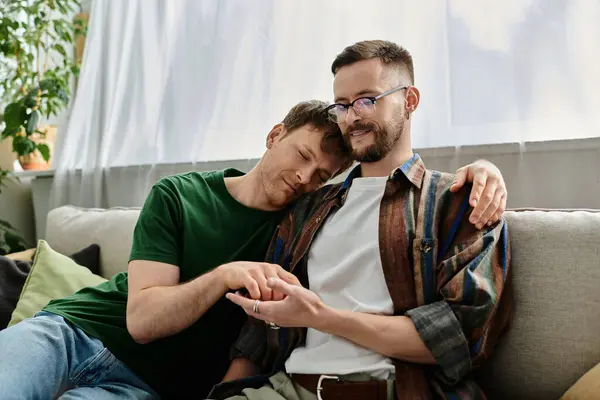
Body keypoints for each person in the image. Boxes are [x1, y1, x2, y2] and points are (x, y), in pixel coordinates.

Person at [0, 94, 505, 398]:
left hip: (143, 389)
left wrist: (483, 170)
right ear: (274, 134)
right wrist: (225, 274)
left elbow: (395, 195)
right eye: (302, 154)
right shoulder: (180, 194)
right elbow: (143, 321)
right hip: (73, 332)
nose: (303, 178)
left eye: (321, 175)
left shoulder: (305, 228)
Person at [216, 40, 514, 400]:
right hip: (288, 390)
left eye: (367, 99)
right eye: (341, 106)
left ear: (410, 100)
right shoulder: (308, 209)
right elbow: (256, 334)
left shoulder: (459, 202)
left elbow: (460, 337)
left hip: (395, 391)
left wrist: (320, 317)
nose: (352, 117)